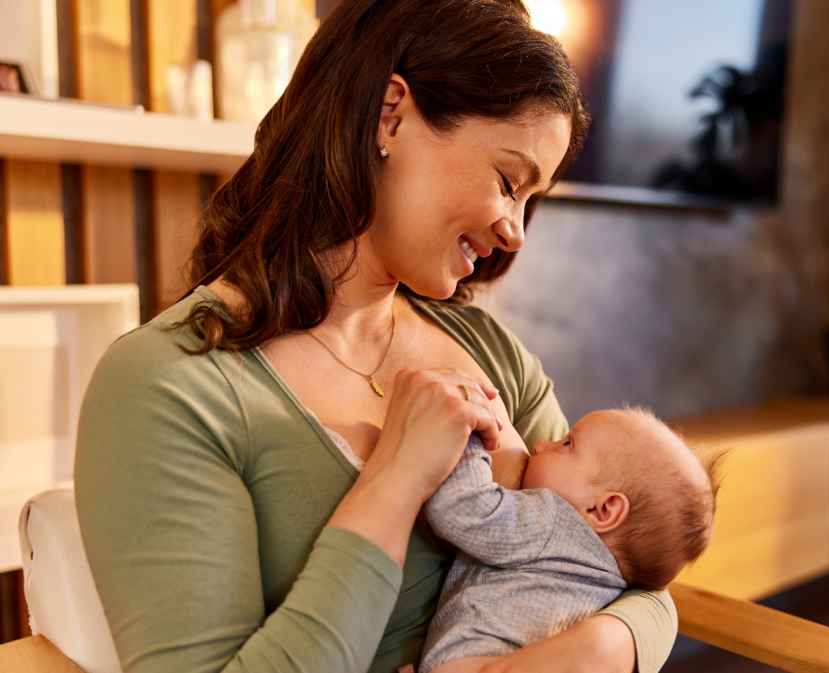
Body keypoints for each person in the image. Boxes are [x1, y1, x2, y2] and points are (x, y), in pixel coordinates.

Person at [73, 1, 676, 672]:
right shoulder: (168, 384)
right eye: (509, 182)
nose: (515, 232)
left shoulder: (490, 351)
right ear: (390, 115)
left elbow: (625, 570)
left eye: (531, 200)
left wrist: (597, 648)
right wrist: (397, 475)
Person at [418, 408, 726, 673]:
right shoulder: (611, 586)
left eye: (566, 444)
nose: (540, 445)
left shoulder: (554, 519)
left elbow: (460, 508)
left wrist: (466, 431)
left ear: (603, 510)